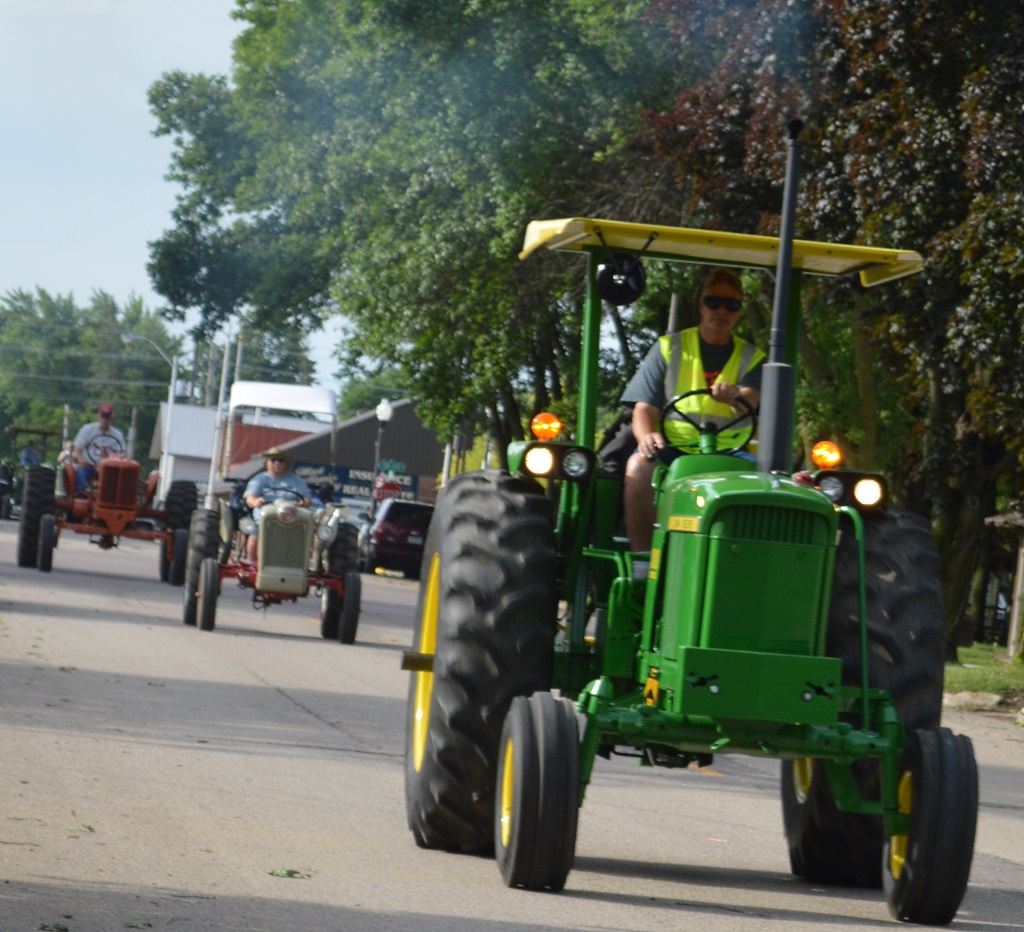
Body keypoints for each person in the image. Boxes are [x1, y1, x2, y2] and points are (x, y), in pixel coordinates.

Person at [619, 268, 766, 551]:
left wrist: (735, 396)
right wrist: (646, 437)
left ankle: (744, 556)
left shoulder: (752, 358)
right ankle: (644, 559)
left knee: (769, 482)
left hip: (730, 452)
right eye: (714, 302)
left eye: (731, 305)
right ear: (701, 305)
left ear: (739, 311)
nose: (721, 310)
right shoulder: (669, 348)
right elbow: (644, 408)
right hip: (674, 447)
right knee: (638, 466)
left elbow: (751, 399)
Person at [242, 446, 312, 561]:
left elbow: (307, 500)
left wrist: (301, 503)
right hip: (264, 518)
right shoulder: (259, 479)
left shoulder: (296, 481)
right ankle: (253, 563)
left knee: (304, 535)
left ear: (286, 464)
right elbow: (250, 497)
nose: (277, 463)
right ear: (267, 463)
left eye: (280, 460)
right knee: (255, 536)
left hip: (290, 519)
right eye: (273, 460)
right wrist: (255, 501)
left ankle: (296, 561)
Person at [72, 404, 126, 492]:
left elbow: (121, 455)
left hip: (109, 468)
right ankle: (83, 492)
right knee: (81, 472)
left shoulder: (117, 435)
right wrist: (81, 460)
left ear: (111, 419)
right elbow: (77, 450)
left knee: (121, 477)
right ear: (98, 416)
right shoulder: (87, 429)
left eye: (107, 417)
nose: (105, 420)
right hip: (88, 465)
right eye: (103, 416)